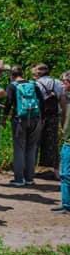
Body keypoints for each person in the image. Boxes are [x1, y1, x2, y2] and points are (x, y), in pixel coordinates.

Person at [2, 66, 44, 187]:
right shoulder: (33, 84)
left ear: (11, 75)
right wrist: (41, 118)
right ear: (22, 73)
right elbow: (41, 101)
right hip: (35, 118)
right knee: (32, 148)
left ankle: (19, 179)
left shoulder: (12, 86)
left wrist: (4, 119)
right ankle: (30, 178)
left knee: (19, 149)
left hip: (19, 119)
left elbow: (8, 103)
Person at [34, 64, 67, 174]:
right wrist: (63, 116)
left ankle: (31, 170)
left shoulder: (36, 84)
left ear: (38, 73)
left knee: (35, 142)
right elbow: (62, 101)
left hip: (39, 116)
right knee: (52, 143)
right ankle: (56, 170)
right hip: (53, 116)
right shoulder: (57, 82)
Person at [54, 72, 70, 214]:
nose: (62, 84)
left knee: (65, 174)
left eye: (64, 81)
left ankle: (67, 205)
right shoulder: (66, 98)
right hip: (66, 140)